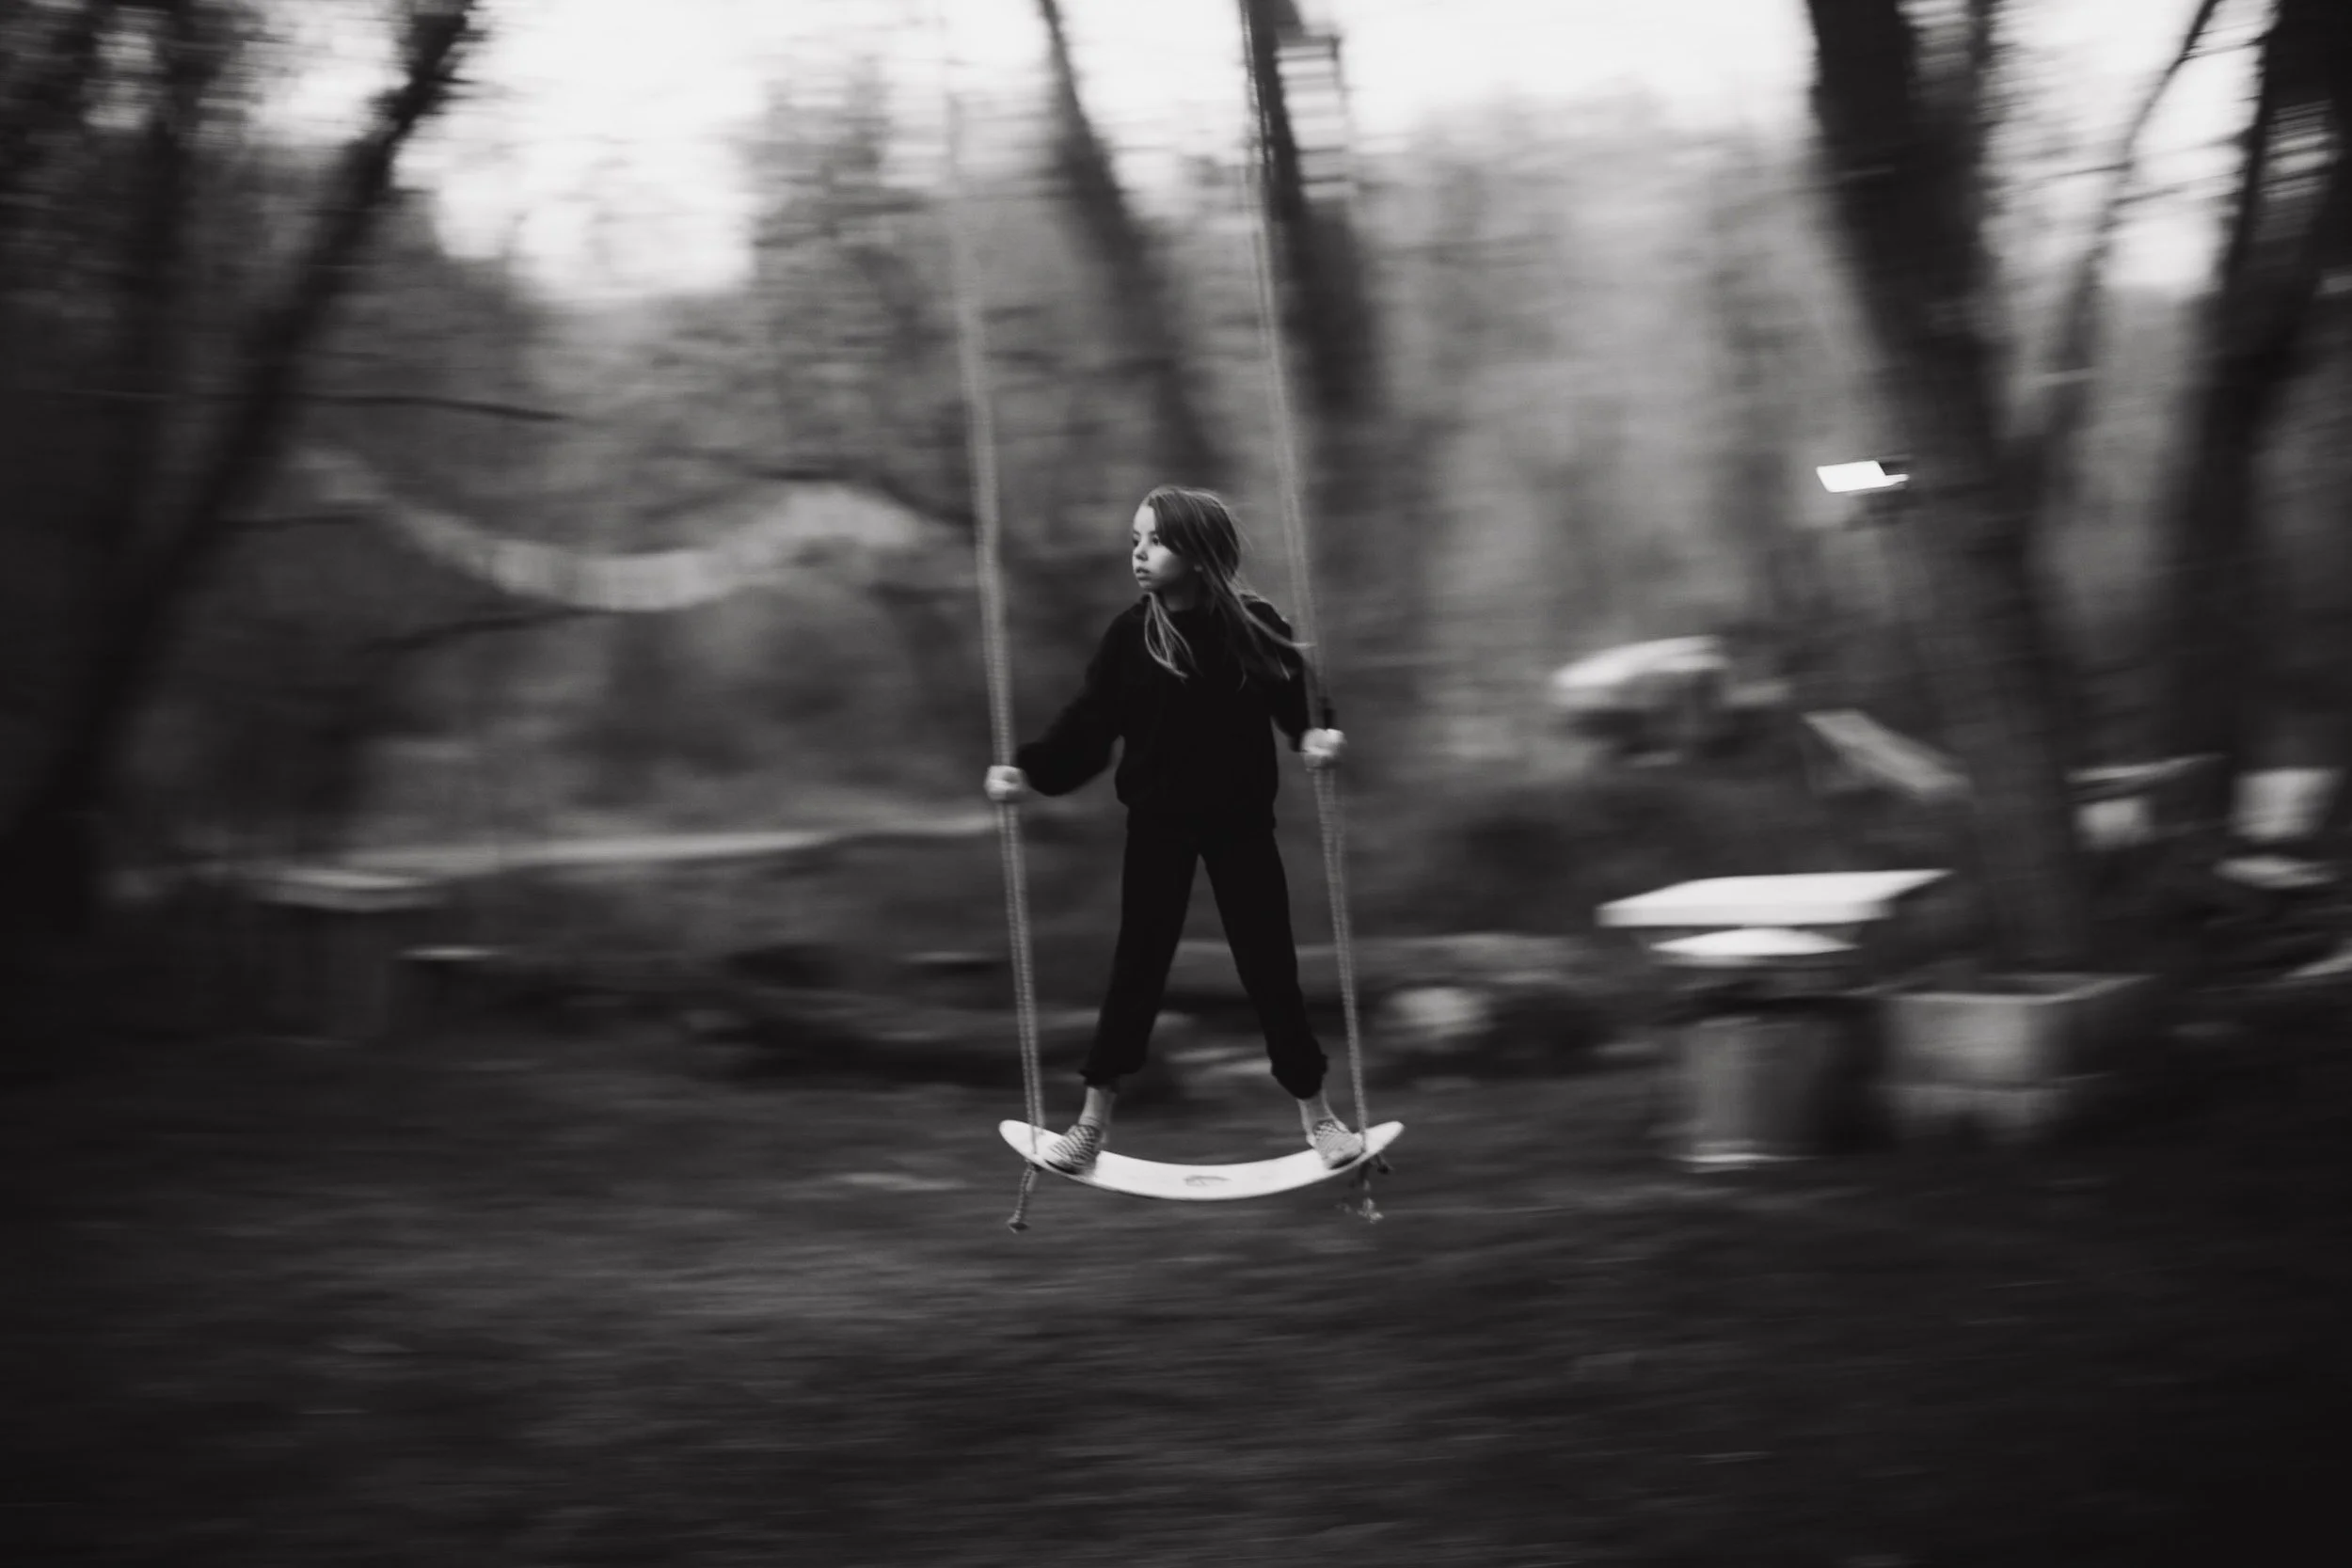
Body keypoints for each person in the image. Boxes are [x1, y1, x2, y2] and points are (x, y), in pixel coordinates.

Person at [983, 484, 1361, 1177]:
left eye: (1152, 540)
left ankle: (1320, 1116)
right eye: (1134, 540)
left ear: (1196, 549)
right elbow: (1087, 728)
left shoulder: (1252, 624)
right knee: (1138, 970)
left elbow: (1304, 704)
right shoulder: (1131, 637)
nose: (1138, 553)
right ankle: (1091, 1122)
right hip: (1157, 825)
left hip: (1242, 824)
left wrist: (1320, 735)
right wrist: (1026, 771)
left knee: (1269, 966)